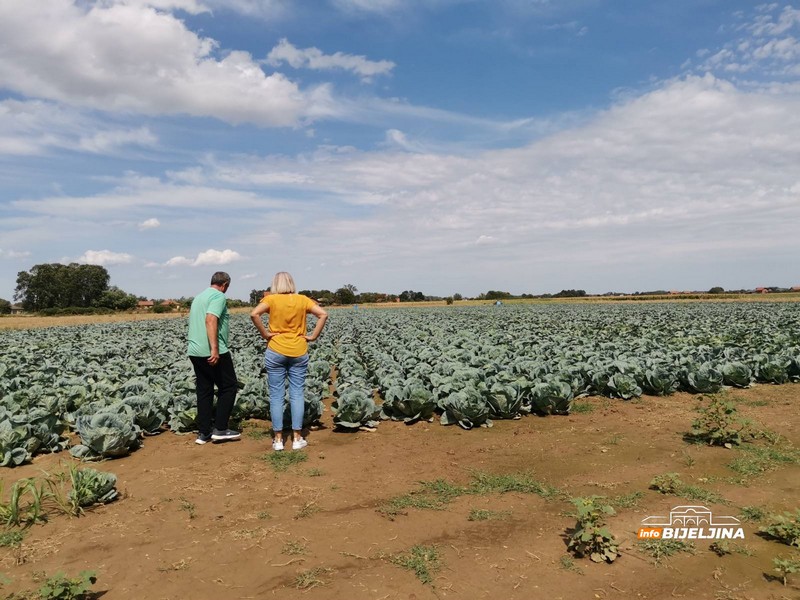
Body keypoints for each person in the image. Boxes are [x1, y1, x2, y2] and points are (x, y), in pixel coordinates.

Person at [250, 272, 328, 451]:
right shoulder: (303, 299)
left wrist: (265, 334)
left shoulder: (271, 300)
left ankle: (278, 440)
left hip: (275, 349)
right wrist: (313, 336)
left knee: (276, 395)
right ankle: (297, 438)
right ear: (292, 283)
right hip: (299, 350)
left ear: (275, 284)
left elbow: (254, 314)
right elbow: (323, 314)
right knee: (297, 394)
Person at [187, 271, 241, 445]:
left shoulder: (199, 297)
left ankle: (203, 433)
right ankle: (220, 428)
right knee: (229, 386)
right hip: (211, 350)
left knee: (204, 389)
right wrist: (215, 349)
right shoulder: (218, 296)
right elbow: (210, 320)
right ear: (224, 284)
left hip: (195, 351)